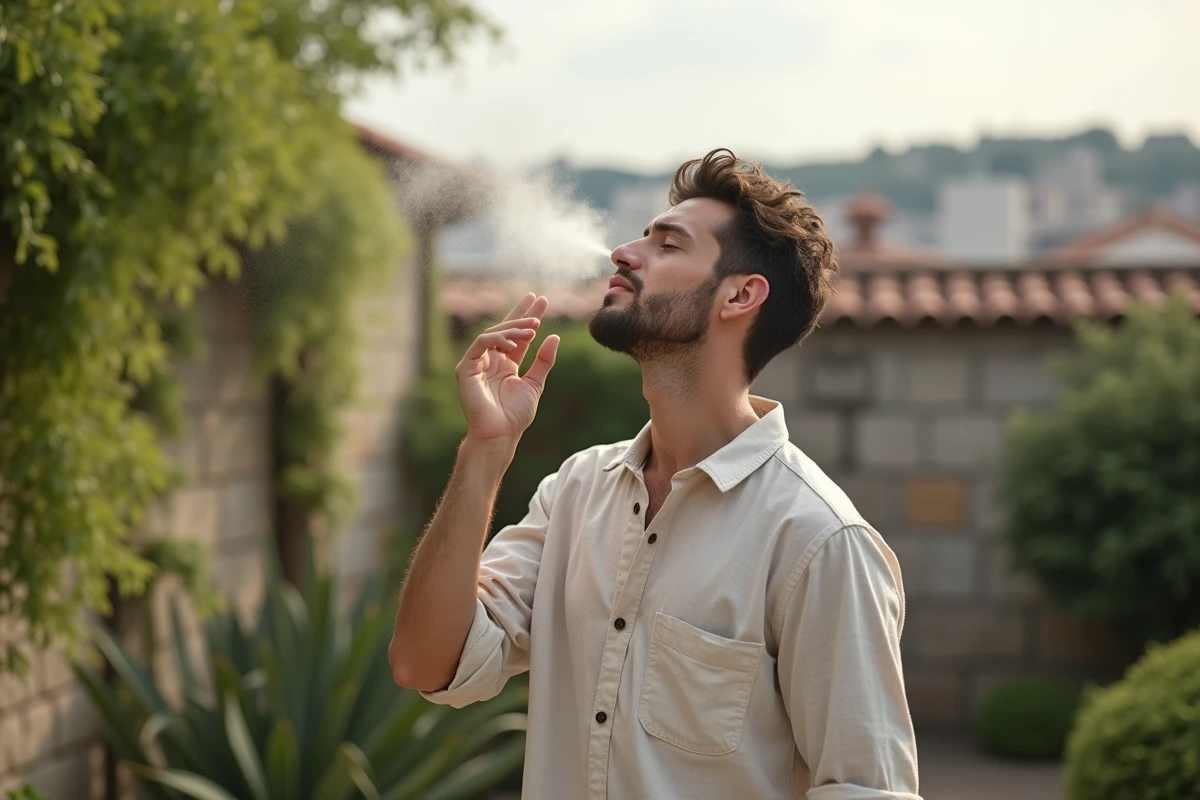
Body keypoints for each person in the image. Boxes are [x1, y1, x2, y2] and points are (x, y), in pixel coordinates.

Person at [390, 149, 921, 799]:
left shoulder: (818, 539)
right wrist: (484, 452)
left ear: (741, 294)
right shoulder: (574, 493)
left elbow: (867, 787)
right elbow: (426, 662)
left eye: (666, 244)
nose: (623, 252)